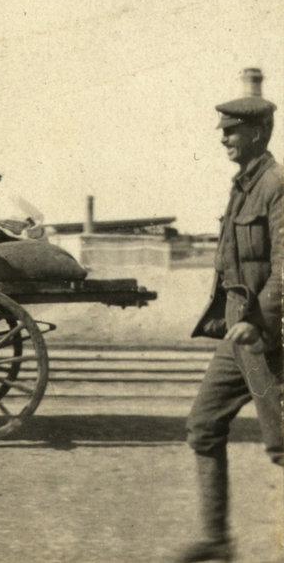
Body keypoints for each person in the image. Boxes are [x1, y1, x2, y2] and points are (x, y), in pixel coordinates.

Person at [175, 73, 282, 563]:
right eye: (222, 130)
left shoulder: (277, 187)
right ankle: (217, 540)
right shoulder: (244, 186)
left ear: (257, 133)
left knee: (282, 444)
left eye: (231, 131)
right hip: (239, 334)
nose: (222, 139)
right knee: (203, 425)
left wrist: (259, 319)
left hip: (266, 335)